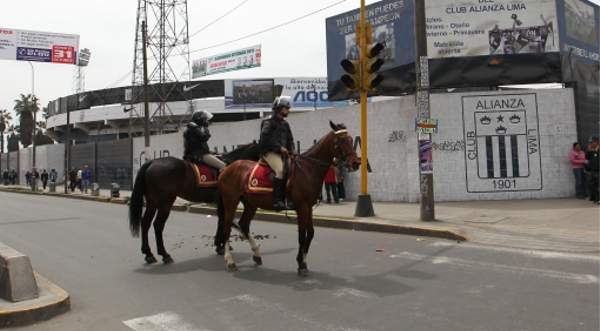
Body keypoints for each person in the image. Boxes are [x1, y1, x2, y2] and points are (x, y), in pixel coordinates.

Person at [260, 96, 297, 211]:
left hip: (283, 154)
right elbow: (264, 139)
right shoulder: (269, 122)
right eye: (287, 108)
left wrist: (292, 149)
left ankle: (288, 198)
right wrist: (279, 148)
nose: (289, 111)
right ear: (280, 109)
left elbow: (290, 140)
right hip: (270, 153)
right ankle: (277, 201)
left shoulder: (285, 124)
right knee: (280, 170)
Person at [183, 110, 226, 174]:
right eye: (204, 119)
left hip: (193, 153)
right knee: (222, 165)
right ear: (198, 119)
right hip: (200, 155)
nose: (206, 121)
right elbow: (204, 138)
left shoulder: (190, 127)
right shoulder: (194, 128)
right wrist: (206, 129)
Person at [585, 136, 599, 204]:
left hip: (598, 170)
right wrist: (589, 151)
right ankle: (597, 196)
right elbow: (587, 157)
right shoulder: (592, 150)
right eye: (590, 142)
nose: (591, 144)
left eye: (592, 142)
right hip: (592, 170)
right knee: (590, 182)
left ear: (596, 142)